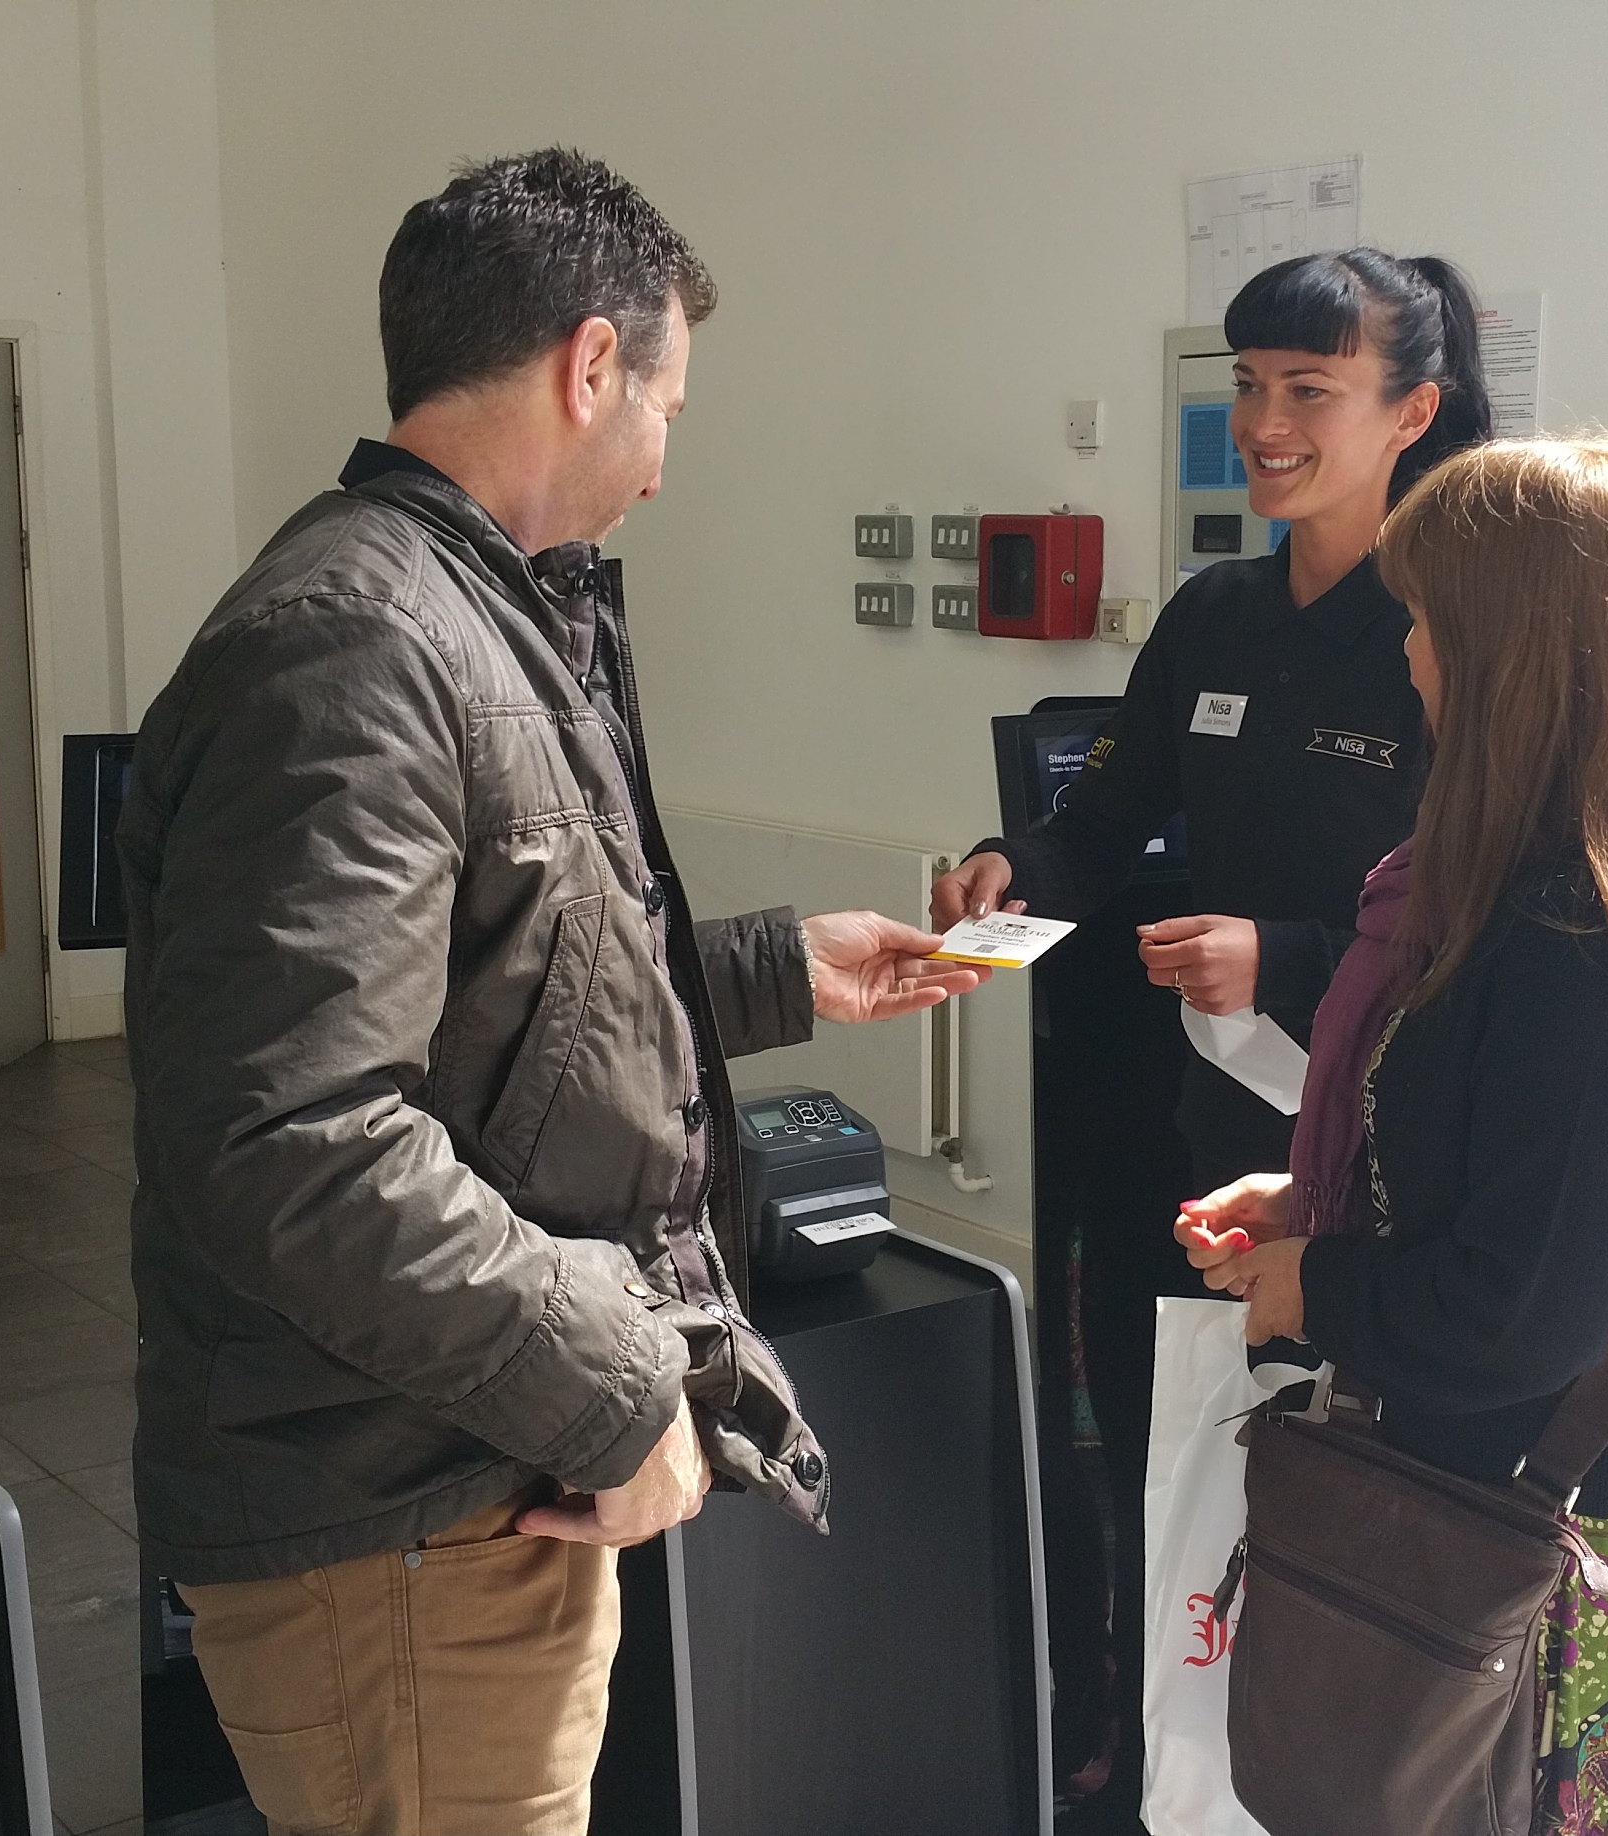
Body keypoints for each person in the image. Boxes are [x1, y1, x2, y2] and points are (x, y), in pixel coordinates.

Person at [120, 149, 983, 1836]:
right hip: (396, 1515)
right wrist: (618, 1382)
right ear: (591, 364)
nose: (664, 463)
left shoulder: (461, 614)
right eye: (668, 406)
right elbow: (296, 1142)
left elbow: (497, 993)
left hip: (451, 1464)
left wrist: (768, 970)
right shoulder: (360, 644)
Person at [929, 249, 1492, 1824]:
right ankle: (1169, 1764)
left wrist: (1286, 957)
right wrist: (1011, 869)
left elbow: (1478, 909)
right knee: (1191, 1479)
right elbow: (1104, 818)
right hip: (1217, 1148)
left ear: (1413, 412)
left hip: (1388, 1162)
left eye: (1310, 389)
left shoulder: (1455, 629)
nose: (1265, 423)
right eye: (1248, 387)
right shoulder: (1217, 616)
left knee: (1350, 1509)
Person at [1180, 435, 1608, 1836]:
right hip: (1539, 1492)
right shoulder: (1564, 883)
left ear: (1512, 655)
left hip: (1592, 1524)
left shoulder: (1604, 941)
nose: (1406, 654)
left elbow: (1521, 1311)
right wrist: (1319, 1202)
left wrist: (1316, 1286)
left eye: (1424, 619)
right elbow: (1535, 1183)